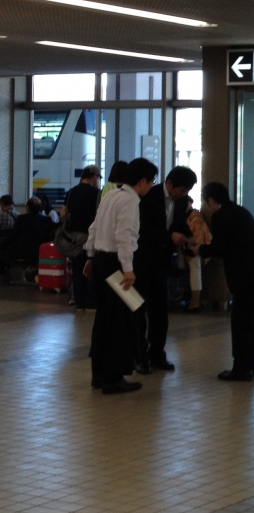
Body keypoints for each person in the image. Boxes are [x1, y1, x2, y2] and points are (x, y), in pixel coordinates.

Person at [83, 157, 158, 393]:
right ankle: (113, 377)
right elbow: (124, 236)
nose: (151, 187)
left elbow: (94, 227)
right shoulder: (130, 201)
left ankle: (99, 374)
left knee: (104, 318)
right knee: (120, 320)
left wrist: (90, 257)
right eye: (151, 182)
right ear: (142, 181)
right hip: (116, 263)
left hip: (101, 261)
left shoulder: (110, 195)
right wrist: (128, 269)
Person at [198, 181, 254, 381]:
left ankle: (242, 369)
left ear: (211, 200)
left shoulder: (220, 216)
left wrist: (198, 249)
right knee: (252, 323)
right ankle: (249, 365)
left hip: (249, 278)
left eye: (205, 202)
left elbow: (219, 249)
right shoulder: (240, 211)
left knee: (241, 323)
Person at [134, 165, 197, 374]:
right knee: (139, 308)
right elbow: (143, 228)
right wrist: (169, 236)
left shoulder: (182, 201)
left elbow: (179, 224)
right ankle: (140, 356)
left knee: (160, 309)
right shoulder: (148, 196)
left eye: (187, 191)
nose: (184, 194)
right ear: (169, 184)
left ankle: (157, 354)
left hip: (162, 260)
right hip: (142, 259)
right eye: (182, 190)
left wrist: (188, 237)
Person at [61, 166, 101, 310]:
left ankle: (79, 302)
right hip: (91, 237)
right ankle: (91, 303)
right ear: (94, 176)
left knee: (77, 271)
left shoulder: (71, 192)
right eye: (99, 177)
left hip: (74, 239)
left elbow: (63, 214)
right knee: (92, 270)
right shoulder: (97, 193)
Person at [0, 197, 55, 277]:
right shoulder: (47, 220)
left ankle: (4, 273)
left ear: (27, 208)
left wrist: (2, 245)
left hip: (22, 250)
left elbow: (13, 236)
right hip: (41, 251)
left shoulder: (21, 219)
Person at [184, 195, 211, 310]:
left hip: (197, 249)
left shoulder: (194, 217)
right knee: (195, 271)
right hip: (198, 247)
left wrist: (190, 252)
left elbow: (197, 239)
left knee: (195, 269)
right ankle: (194, 301)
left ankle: (195, 302)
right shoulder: (193, 215)